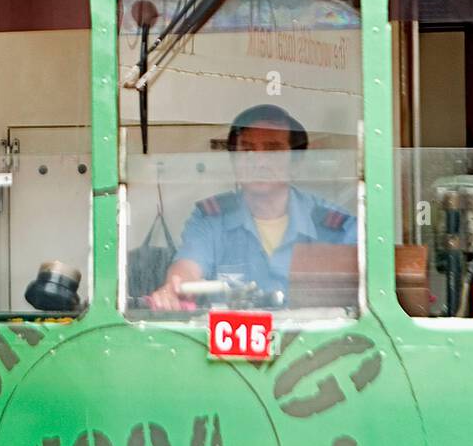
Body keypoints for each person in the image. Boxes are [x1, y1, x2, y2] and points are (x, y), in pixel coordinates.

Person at [148, 104, 356, 311]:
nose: (259, 161)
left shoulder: (334, 227)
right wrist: (175, 288)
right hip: (233, 343)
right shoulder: (211, 219)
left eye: (273, 150)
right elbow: (188, 267)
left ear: (296, 163)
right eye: (247, 150)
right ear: (233, 161)